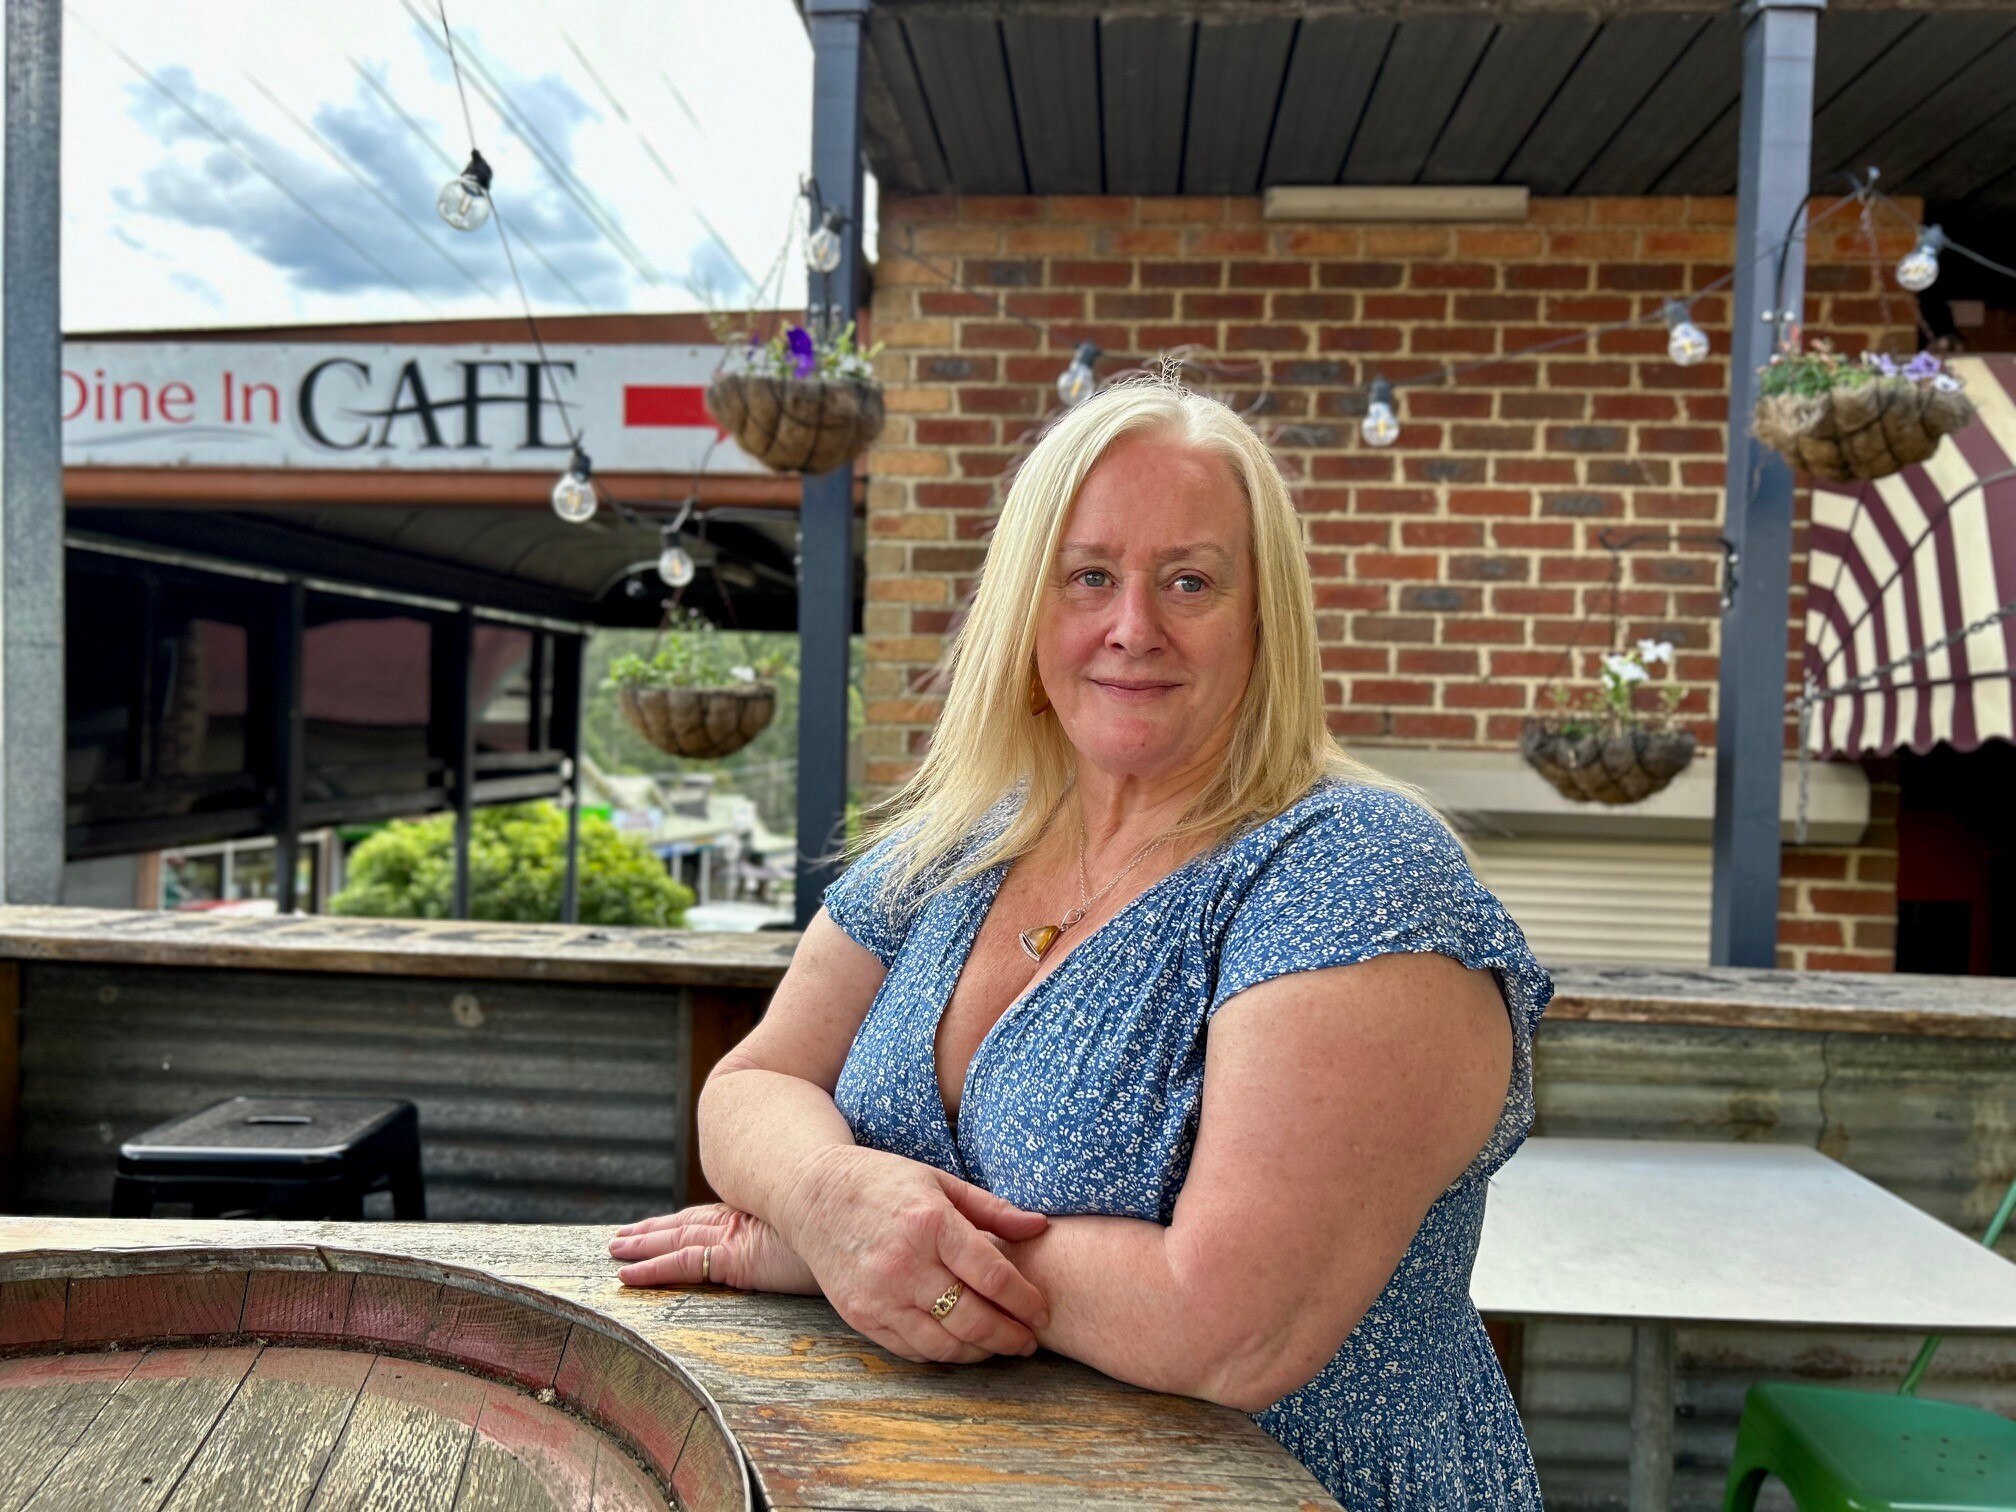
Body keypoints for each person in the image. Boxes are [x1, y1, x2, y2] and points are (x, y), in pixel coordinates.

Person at [609, 374, 1553, 1509]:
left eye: (1190, 582)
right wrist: (826, 1196)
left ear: (1265, 621)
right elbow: (752, 1084)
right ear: (1027, 606)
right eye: (1090, 576)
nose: (1133, 628)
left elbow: (1225, 1326)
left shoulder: (1354, 870)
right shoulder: (955, 846)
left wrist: (847, 1251)